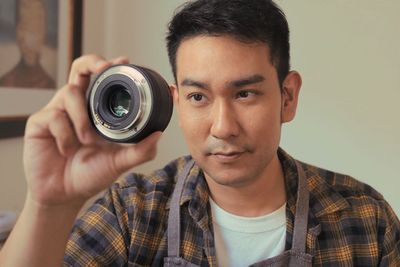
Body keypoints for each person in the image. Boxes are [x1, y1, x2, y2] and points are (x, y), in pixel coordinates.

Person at [0, 0, 399, 266]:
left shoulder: (365, 218)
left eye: (245, 93)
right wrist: (49, 205)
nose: (223, 127)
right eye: (198, 96)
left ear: (287, 97)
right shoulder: (132, 214)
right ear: (176, 101)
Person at [0, 0, 56, 89]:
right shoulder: (6, 82)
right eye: (24, 26)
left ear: (43, 32)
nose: (29, 39)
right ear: (17, 32)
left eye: (36, 26)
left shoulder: (50, 85)